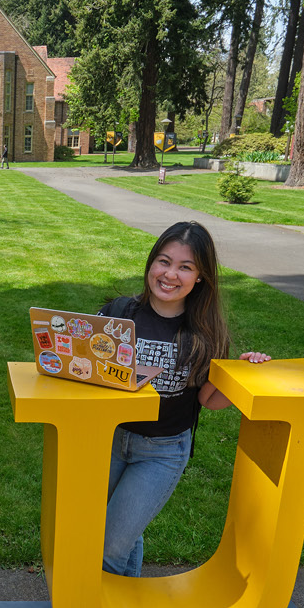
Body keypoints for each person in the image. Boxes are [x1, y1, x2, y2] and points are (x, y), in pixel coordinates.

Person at [98, 221, 270, 577]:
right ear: (151, 263)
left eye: (185, 267)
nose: (170, 274)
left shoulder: (205, 333)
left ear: (201, 277)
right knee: (116, 531)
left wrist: (242, 373)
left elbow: (210, 399)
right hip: (108, 440)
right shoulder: (118, 313)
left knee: (109, 546)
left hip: (162, 451)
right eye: (163, 261)